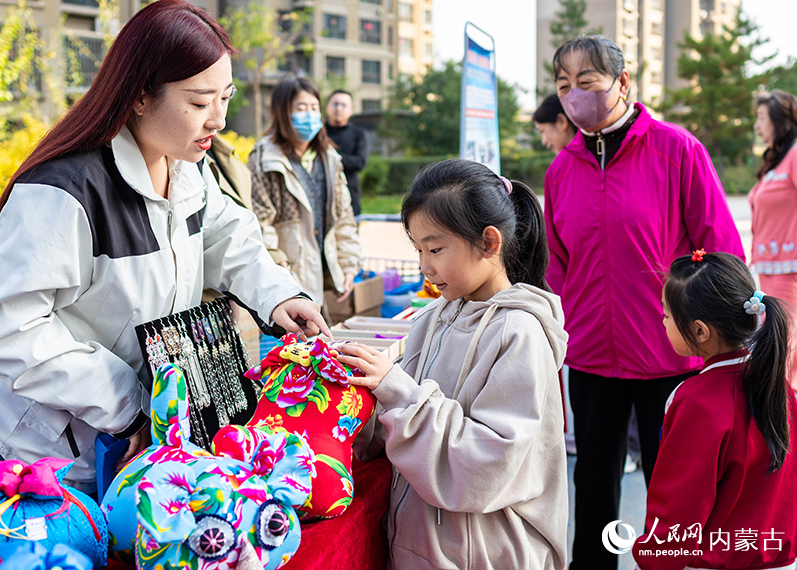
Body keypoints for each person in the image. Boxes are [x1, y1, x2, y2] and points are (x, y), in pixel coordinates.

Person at [0, 0, 330, 495]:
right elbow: (5, 326)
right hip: (42, 441)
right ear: (139, 97)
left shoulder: (185, 166)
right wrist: (127, 403)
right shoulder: (64, 191)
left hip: (130, 428)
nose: (218, 120)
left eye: (226, 97)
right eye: (200, 103)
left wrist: (279, 296)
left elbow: (227, 236)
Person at [543, 35, 745, 569]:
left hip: (671, 358)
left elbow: (719, 245)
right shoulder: (562, 169)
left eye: (586, 83)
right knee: (593, 489)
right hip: (590, 359)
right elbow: (556, 268)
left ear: (622, 83)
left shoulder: (677, 150)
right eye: (564, 86)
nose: (574, 96)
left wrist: (725, 336)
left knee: (674, 490)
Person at [338, 159, 569, 569]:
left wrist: (397, 390)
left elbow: (489, 463)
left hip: (485, 554)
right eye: (418, 250)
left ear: (489, 242)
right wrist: (353, 397)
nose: (426, 266)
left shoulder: (520, 333)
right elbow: (395, 430)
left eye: (436, 248)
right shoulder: (431, 319)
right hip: (422, 545)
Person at [633, 250, 797, 570]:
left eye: (666, 315)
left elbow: (679, 506)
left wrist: (651, 559)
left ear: (699, 331)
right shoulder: (783, 391)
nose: (663, 321)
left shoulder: (695, 402)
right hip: (778, 559)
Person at [248, 76, 362, 311]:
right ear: (282, 112)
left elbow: (343, 215)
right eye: (301, 108)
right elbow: (260, 220)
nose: (309, 115)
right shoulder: (264, 158)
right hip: (287, 276)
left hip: (325, 270)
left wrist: (349, 264)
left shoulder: (329, 157)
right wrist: (278, 265)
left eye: (314, 108)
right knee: (288, 344)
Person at [750, 89, 797, 389]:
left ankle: (785, 425)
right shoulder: (775, 162)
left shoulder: (794, 156)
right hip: (770, 271)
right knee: (779, 350)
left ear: (780, 121)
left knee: (785, 351)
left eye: (761, 118)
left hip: (790, 272)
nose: (756, 126)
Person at [325, 90, 370, 216]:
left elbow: (360, 162)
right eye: (335, 104)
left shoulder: (359, 134)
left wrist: (330, 157)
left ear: (351, 110)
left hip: (350, 195)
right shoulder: (318, 133)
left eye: (344, 105)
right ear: (327, 107)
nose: (339, 108)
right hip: (321, 194)